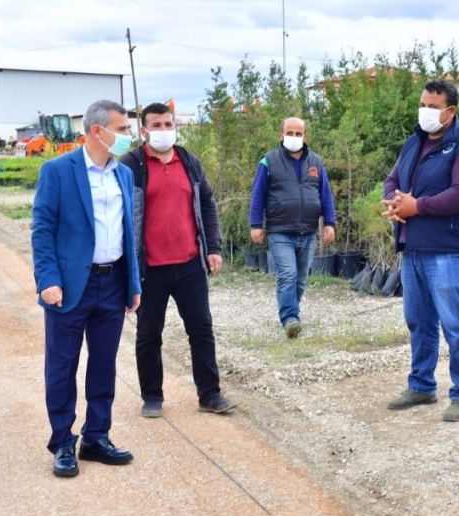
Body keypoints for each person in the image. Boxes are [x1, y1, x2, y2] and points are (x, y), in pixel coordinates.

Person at [31, 99, 141, 478]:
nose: (129, 136)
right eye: (123, 129)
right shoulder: (58, 171)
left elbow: (129, 231)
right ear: (98, 131)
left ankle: (96, 436)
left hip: (113, 283)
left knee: (104, 363)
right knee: (62, 366)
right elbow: (42, 230)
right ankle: (63, 441)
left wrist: (134, 282)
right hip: (70, 286)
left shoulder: (123, 174)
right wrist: (48, 280)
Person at [120, 102, 236, 418]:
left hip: (189, 264)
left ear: (175, 126)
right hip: (149, 268)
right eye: (155, 126)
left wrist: (213, 247)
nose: (162, 131)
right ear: (143, 131)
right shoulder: (130, 165)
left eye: (167, 124)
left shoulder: (189, 161)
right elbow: (119, 214)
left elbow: (207, 204)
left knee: (201, 329)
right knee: (148, 333)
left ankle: (210, 394)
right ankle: (152, 396)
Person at [381, 80, 459, 422]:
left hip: (449, 250)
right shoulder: (414, 142)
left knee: (456, 324)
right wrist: (396, 202)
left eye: (432, 105)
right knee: (419, 321)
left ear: (450, 111)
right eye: (423, 104)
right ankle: (422, 385)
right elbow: (393, 179)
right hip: (413, 248)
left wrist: (417, 206)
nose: (425, 110)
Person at [249, 117, 336, 338]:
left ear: (305, 136)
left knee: (300, 278)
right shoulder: (268, 161)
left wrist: (329, 223)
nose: (294, 137)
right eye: (290, 133)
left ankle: (292, 312)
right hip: (280, 231)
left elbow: (325, 194)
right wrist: (256, 224)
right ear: (281, 135)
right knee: (287, 275)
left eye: (298, 134)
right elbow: (258, 194)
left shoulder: (315, 162)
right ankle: (290, 318)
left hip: (307, 231)